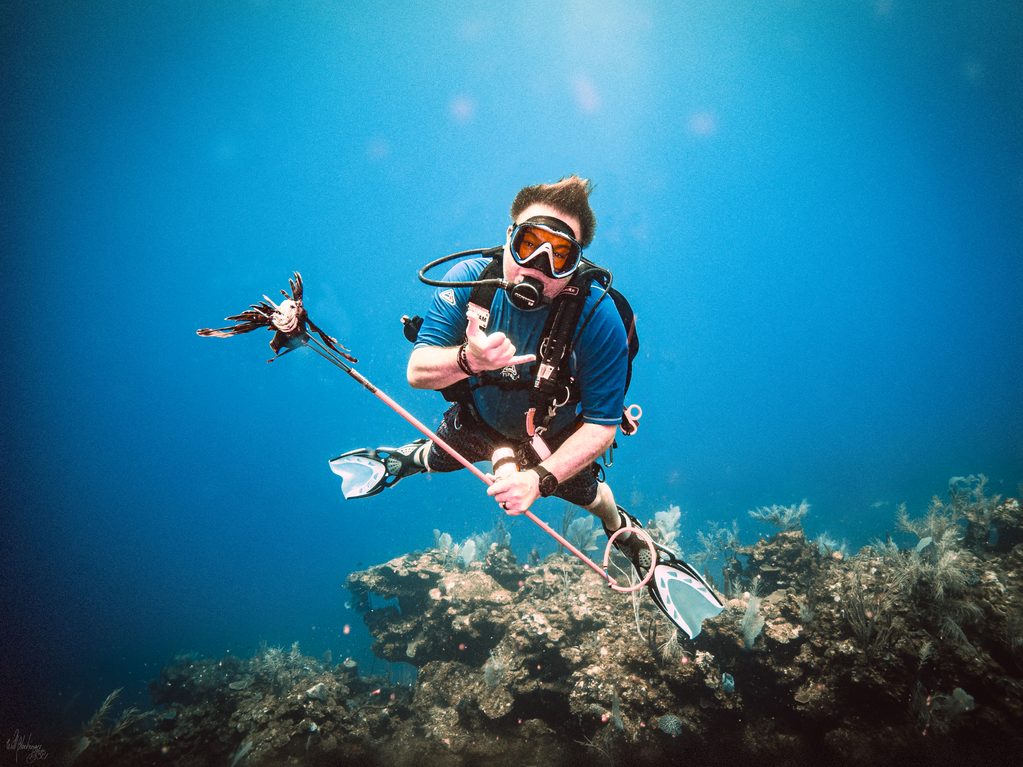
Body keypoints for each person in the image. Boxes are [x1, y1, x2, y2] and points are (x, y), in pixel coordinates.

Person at [335, 176, 651, 575]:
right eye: (528, 244)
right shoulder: (471, 281)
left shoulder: (598, 316)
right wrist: (468, 359)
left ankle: (618, 525)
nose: (538, 266)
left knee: (592, 497)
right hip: (478, 421)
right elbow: (417, 371)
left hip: (552, 441)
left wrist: (538, 481)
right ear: (508, 237)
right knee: (438, 456)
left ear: (576, 265)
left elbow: (602, 427)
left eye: (559, 255)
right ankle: (407, 459)